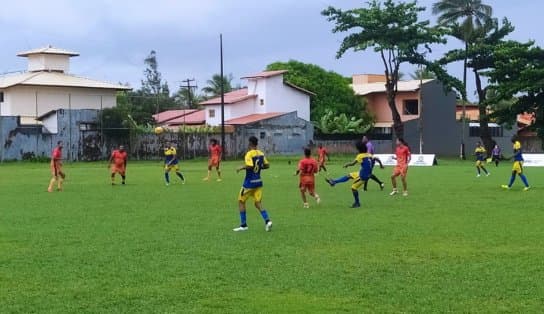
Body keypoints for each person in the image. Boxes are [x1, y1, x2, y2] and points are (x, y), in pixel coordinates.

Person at [233, 136, 273, 232]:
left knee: (241, 201)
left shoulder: (249, 154)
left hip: (249, 183)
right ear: (256, 144)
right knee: (257, 203)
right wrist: (259, 167)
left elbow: (250, 165)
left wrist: (241, 168)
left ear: (250, 143)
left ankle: (243, 225)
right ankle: (267, 221)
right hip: (258, 182)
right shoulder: (261, 153)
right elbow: (267, 165)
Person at [326, 141, 373, 208]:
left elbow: (353, 163)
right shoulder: (369, 155)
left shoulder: (360, 156)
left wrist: (347, 165)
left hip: (363, 176)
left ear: (359, 149)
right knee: (349, 175)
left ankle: (357, 203)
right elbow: (374, 160)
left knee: (353, 188)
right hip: (364, 173)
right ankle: (334, 182)